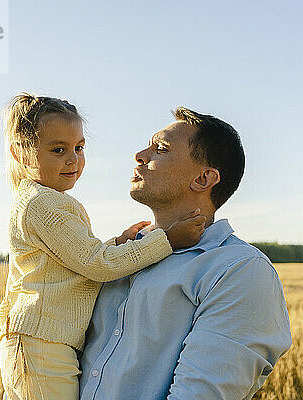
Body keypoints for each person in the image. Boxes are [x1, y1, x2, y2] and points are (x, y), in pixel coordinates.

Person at [0, 94, 206, 400]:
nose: (73, 159)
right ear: (20, 153)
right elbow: (97, 264)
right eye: (58, 150)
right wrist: (169, 240)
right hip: (40, 344)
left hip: (47, 341)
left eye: (79, 148)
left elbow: (75, 258)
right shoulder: (42, 205)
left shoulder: (47, 201)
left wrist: (116, 244)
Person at [80, 107, 292, 400]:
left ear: (204, 179)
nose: (140, 155)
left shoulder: (239, 270)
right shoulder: (116, 256)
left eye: (161, 149)